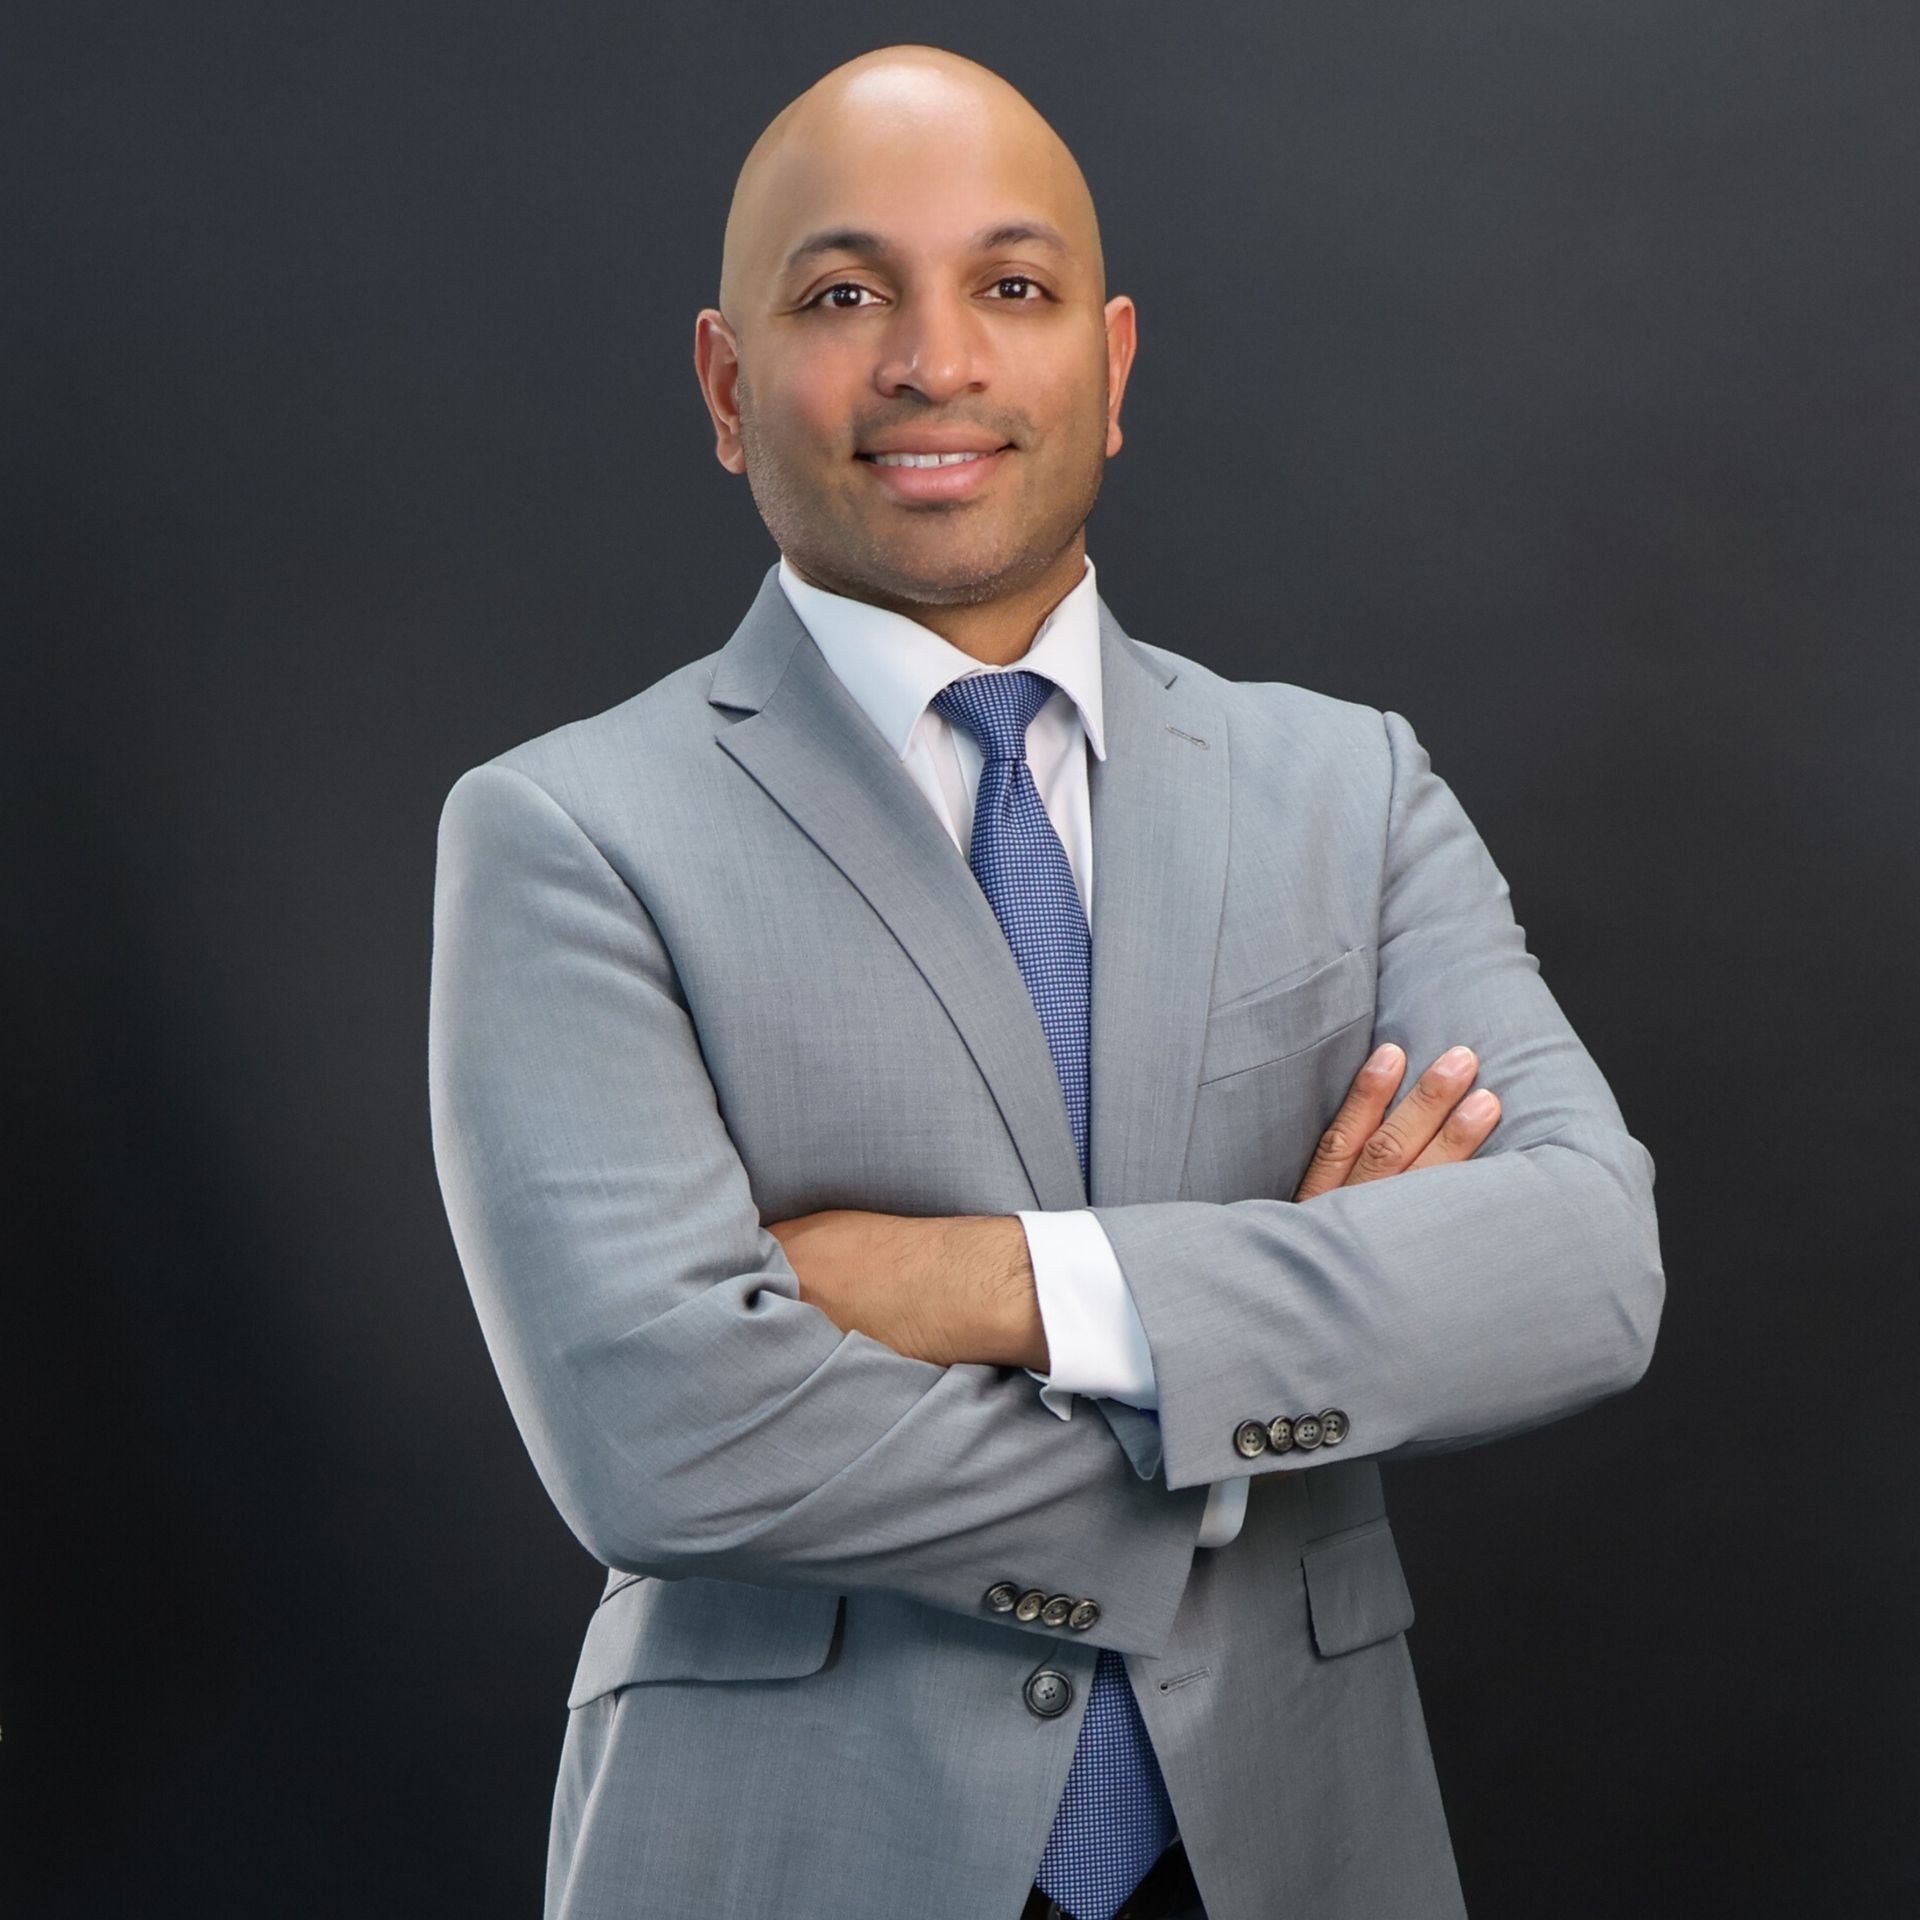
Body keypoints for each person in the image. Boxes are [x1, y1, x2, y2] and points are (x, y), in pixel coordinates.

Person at [427, 43, 1663, 1920]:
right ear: (728, 385)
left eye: (1012, 286)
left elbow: (1582, 1266)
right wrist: (1265, 1370)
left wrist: (993, 1285)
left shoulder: (1351, 787)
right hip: (788, 1857)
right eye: (845, 297)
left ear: (1113, 364)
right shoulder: (564, 831)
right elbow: (663, 1439)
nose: (936, 361)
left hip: (1299, 1846)